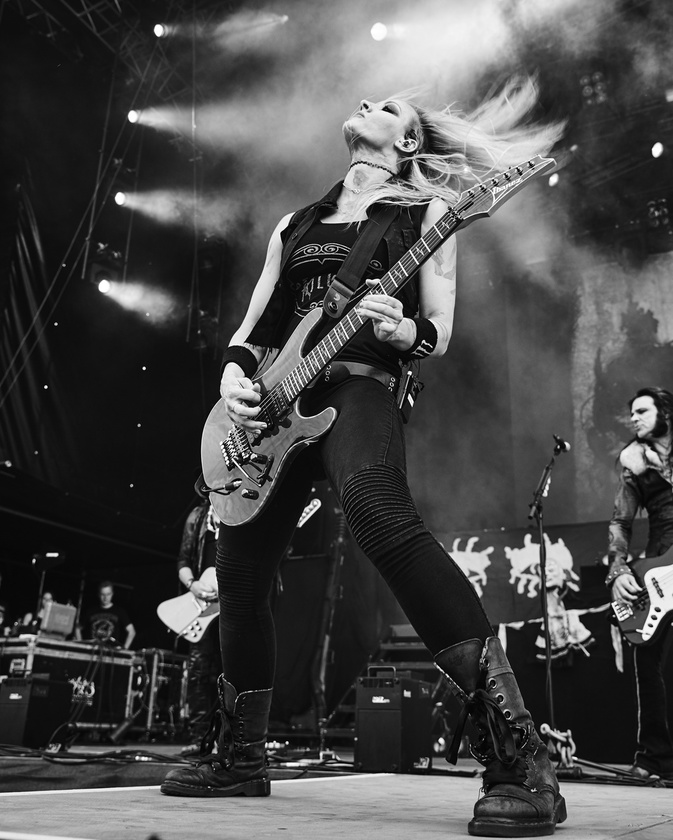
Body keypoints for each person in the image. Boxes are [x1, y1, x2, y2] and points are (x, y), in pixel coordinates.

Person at [161, 79, 567, 836]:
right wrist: (233, 378)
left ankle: (520, 763)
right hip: (272, 411)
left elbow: (436, 331)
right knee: (240, 579)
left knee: (380, 518)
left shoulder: (428, 213)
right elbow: (254, 326)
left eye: (388, 106)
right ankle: (239, 758)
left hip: (358, 387)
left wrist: (396, 328)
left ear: (407, 142)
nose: (367, 103)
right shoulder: (296, 223)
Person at [606, 386, 673, 783]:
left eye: (643, 411)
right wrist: (619, 571)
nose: (634, 418)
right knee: (647, 662)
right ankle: (653, 759)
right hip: (661, 568)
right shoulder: (633, 462)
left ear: (665, 412)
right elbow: (621, 522)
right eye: (631, 413)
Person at [177, 481, 222, 749]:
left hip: (232, 604)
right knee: (198, 670)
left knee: (230, 670)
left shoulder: (242, 511)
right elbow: (183, 561)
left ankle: (229, 740)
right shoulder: (198, 517)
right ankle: (199, 739)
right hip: (203, 605)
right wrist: (193, 584)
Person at [76, 580, 136, 649]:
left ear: (112, 594)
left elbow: (132, 631)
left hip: (111, 651)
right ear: (99, 595)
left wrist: (124, 649)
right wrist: (81, 646)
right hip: (93, 650)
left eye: (108, 594)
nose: (105, 598)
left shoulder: (120, 611)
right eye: (103, 594)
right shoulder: (90, 611)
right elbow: (77, 629)